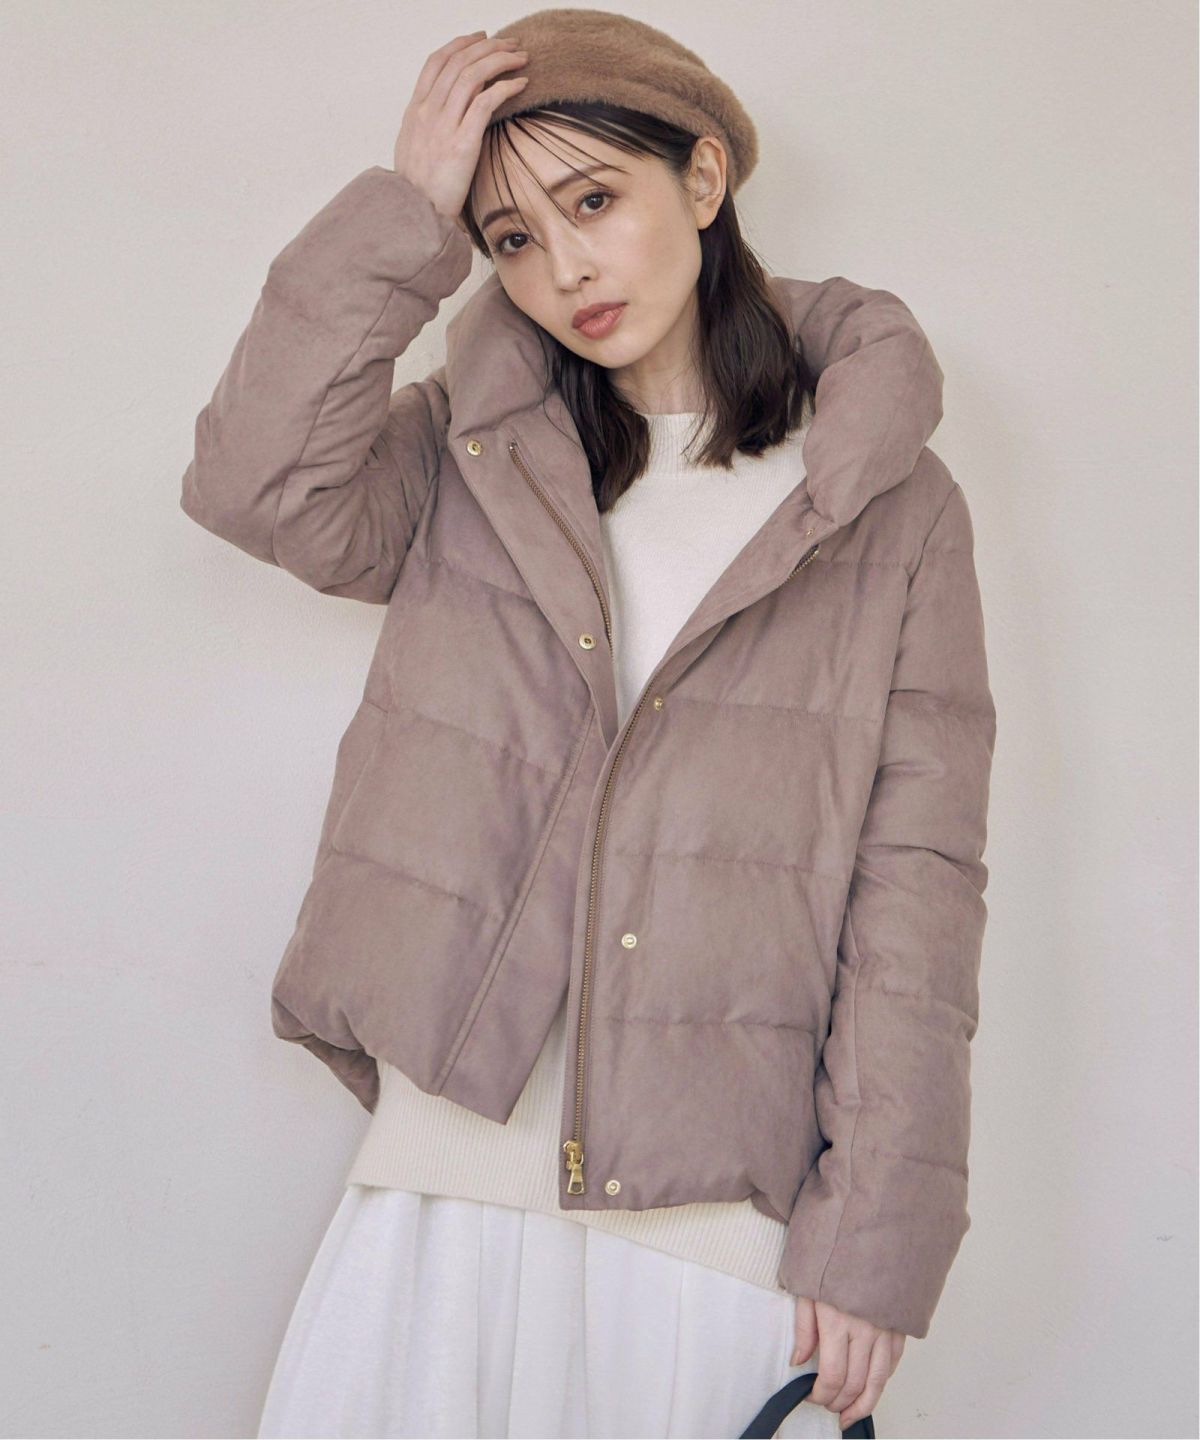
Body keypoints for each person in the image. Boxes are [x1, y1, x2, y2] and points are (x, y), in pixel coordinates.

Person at [180, 12, 995, 1439]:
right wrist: (406, 213)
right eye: (510, 236)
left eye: (595, 201)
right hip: (446, 1196)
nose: (563, 268)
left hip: (703, 1235)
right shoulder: (470, 451)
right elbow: (258, 490)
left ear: (706, 176)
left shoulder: (886, 502)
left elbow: (916, 885)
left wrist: (876, 1241)